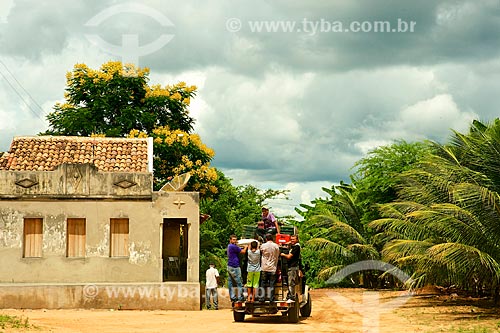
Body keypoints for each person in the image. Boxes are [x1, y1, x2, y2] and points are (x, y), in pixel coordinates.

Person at [259, 233, 280, 302]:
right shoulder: (276, 246)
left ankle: (262, 298)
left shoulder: (263, 246)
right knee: (272, 284)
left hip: (264, 267)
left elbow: (260, 252)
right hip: (273, 268)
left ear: (266, 239)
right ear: (272, 239)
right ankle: (271, 299)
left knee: (263, 283)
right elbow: (278, 254)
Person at [227, 234, 247, 304]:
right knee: (239, 282)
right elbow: (243, 252)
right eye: (233, 239)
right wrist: (246, 247)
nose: (235, 241)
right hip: (235, 266)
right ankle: (240, 297)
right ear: (230, 240)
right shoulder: (233, 246)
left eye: (235, 239)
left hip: (229, 266)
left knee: (231, 282)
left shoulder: (230, 246)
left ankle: (233, 297)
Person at [280, 234, 301, 301]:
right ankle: (290, 295)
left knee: (291, 282)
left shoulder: (296, 247)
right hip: (290, 267)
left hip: (293, 267)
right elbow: (290, 244)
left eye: (293, 239)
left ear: (297, 240)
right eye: (291, 239)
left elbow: (289, 256)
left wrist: (283, 255)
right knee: (290, 282)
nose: (292, 241)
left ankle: (292, 296)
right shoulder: (294, 246)